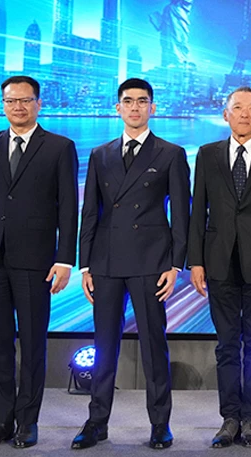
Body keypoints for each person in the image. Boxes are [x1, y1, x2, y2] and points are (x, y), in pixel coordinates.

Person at [0, 75, 78, 449]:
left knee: (33, 343)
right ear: (3, 105)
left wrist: (64, 259)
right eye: (11, 101)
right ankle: (1, 421)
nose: (18, 107)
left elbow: (68, 207)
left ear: (39, 103)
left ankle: (28, 422)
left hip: (35, 260)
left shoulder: (59, 147)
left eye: (25, 100)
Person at [70, 78, 189, 450]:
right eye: (128, 101)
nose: (135, 107)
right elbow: (90, 211)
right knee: (104, 345)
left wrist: (175, 265)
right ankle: (96, 422)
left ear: (153, 107)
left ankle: (160, 423)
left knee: (154, 345)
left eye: (142, 101)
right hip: (105, 261)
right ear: (117, 107)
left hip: (151, 260)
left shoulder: (170, 153)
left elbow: (181, 214)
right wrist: (85, 265)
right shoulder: (100, 154)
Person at [188, 87, 251, 448]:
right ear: (226, 114)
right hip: (219, 263)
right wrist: (196, 261)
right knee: (227, 345)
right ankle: (229, 417)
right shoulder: (207, 154)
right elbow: (197, 210)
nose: (245, 114)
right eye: (237, 108)